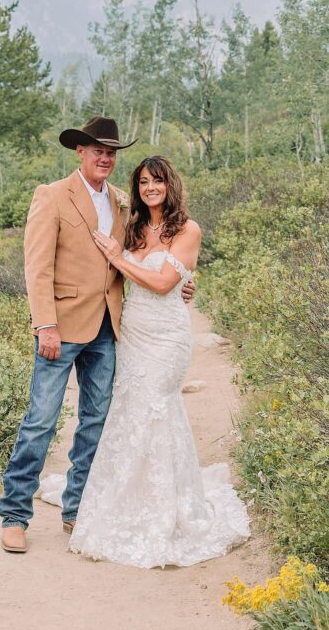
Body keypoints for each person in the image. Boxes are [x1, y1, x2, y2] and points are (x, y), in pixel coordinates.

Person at [0, 118, 195, 553]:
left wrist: (180, 280)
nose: (104, 158)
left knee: (97, 421)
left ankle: (77, 509)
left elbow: (146, 259)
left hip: (109, 328)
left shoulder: (124, 203)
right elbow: (37, 266)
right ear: (80, 153)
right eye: (96, 150)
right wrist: (44, 323)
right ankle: (14, 514)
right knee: (41, 420)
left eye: (110, 152)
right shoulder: (51, 196)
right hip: (62, 327)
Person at [66, 155, 251, 568]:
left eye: (158, 181)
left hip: (166, 337)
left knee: (157, 407)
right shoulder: (132, 226)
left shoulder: (187, 229)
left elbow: (166, 283)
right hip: (132, 331)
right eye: (144, 181)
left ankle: (169, 508)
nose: (151, 188)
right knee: (130, 412)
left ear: (171, 185)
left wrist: (120, 258)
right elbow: (123, 277)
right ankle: (130, 500)